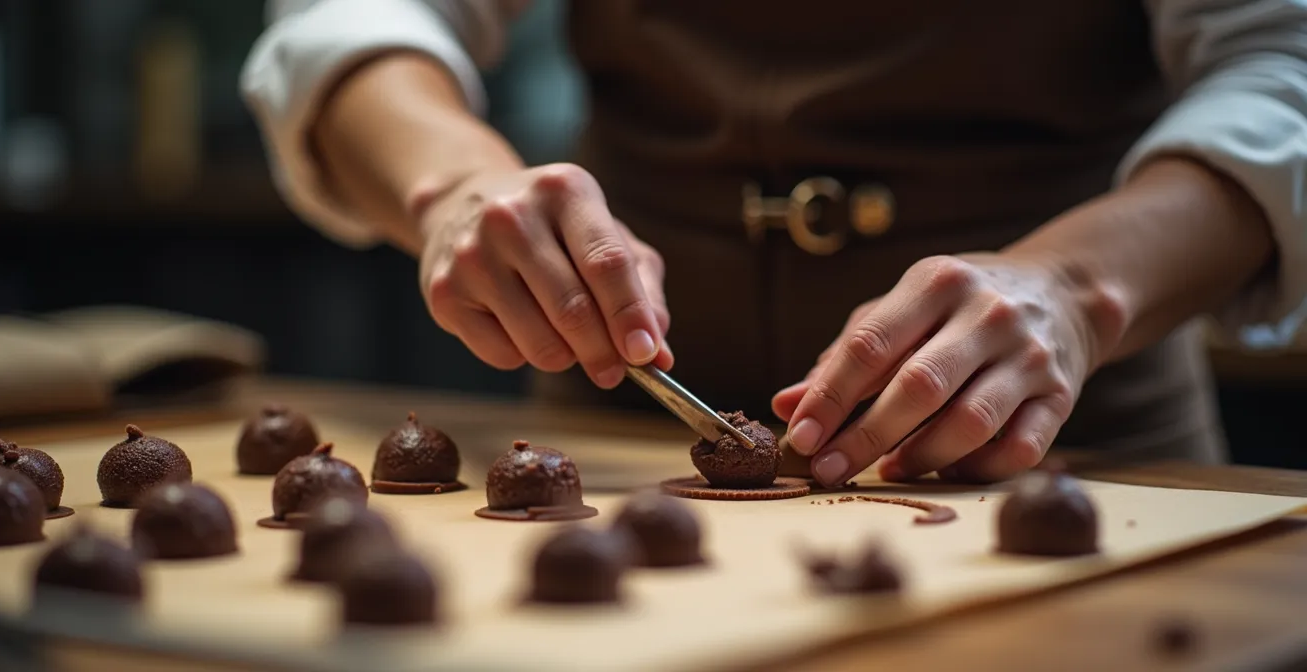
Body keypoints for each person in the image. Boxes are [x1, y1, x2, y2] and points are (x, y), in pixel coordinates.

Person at [241, 0, 1307, 488]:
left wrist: (1075, 291)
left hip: (1065, 462)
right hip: (603, 455)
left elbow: (1283, 60)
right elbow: (356, 17)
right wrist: (454, 188)